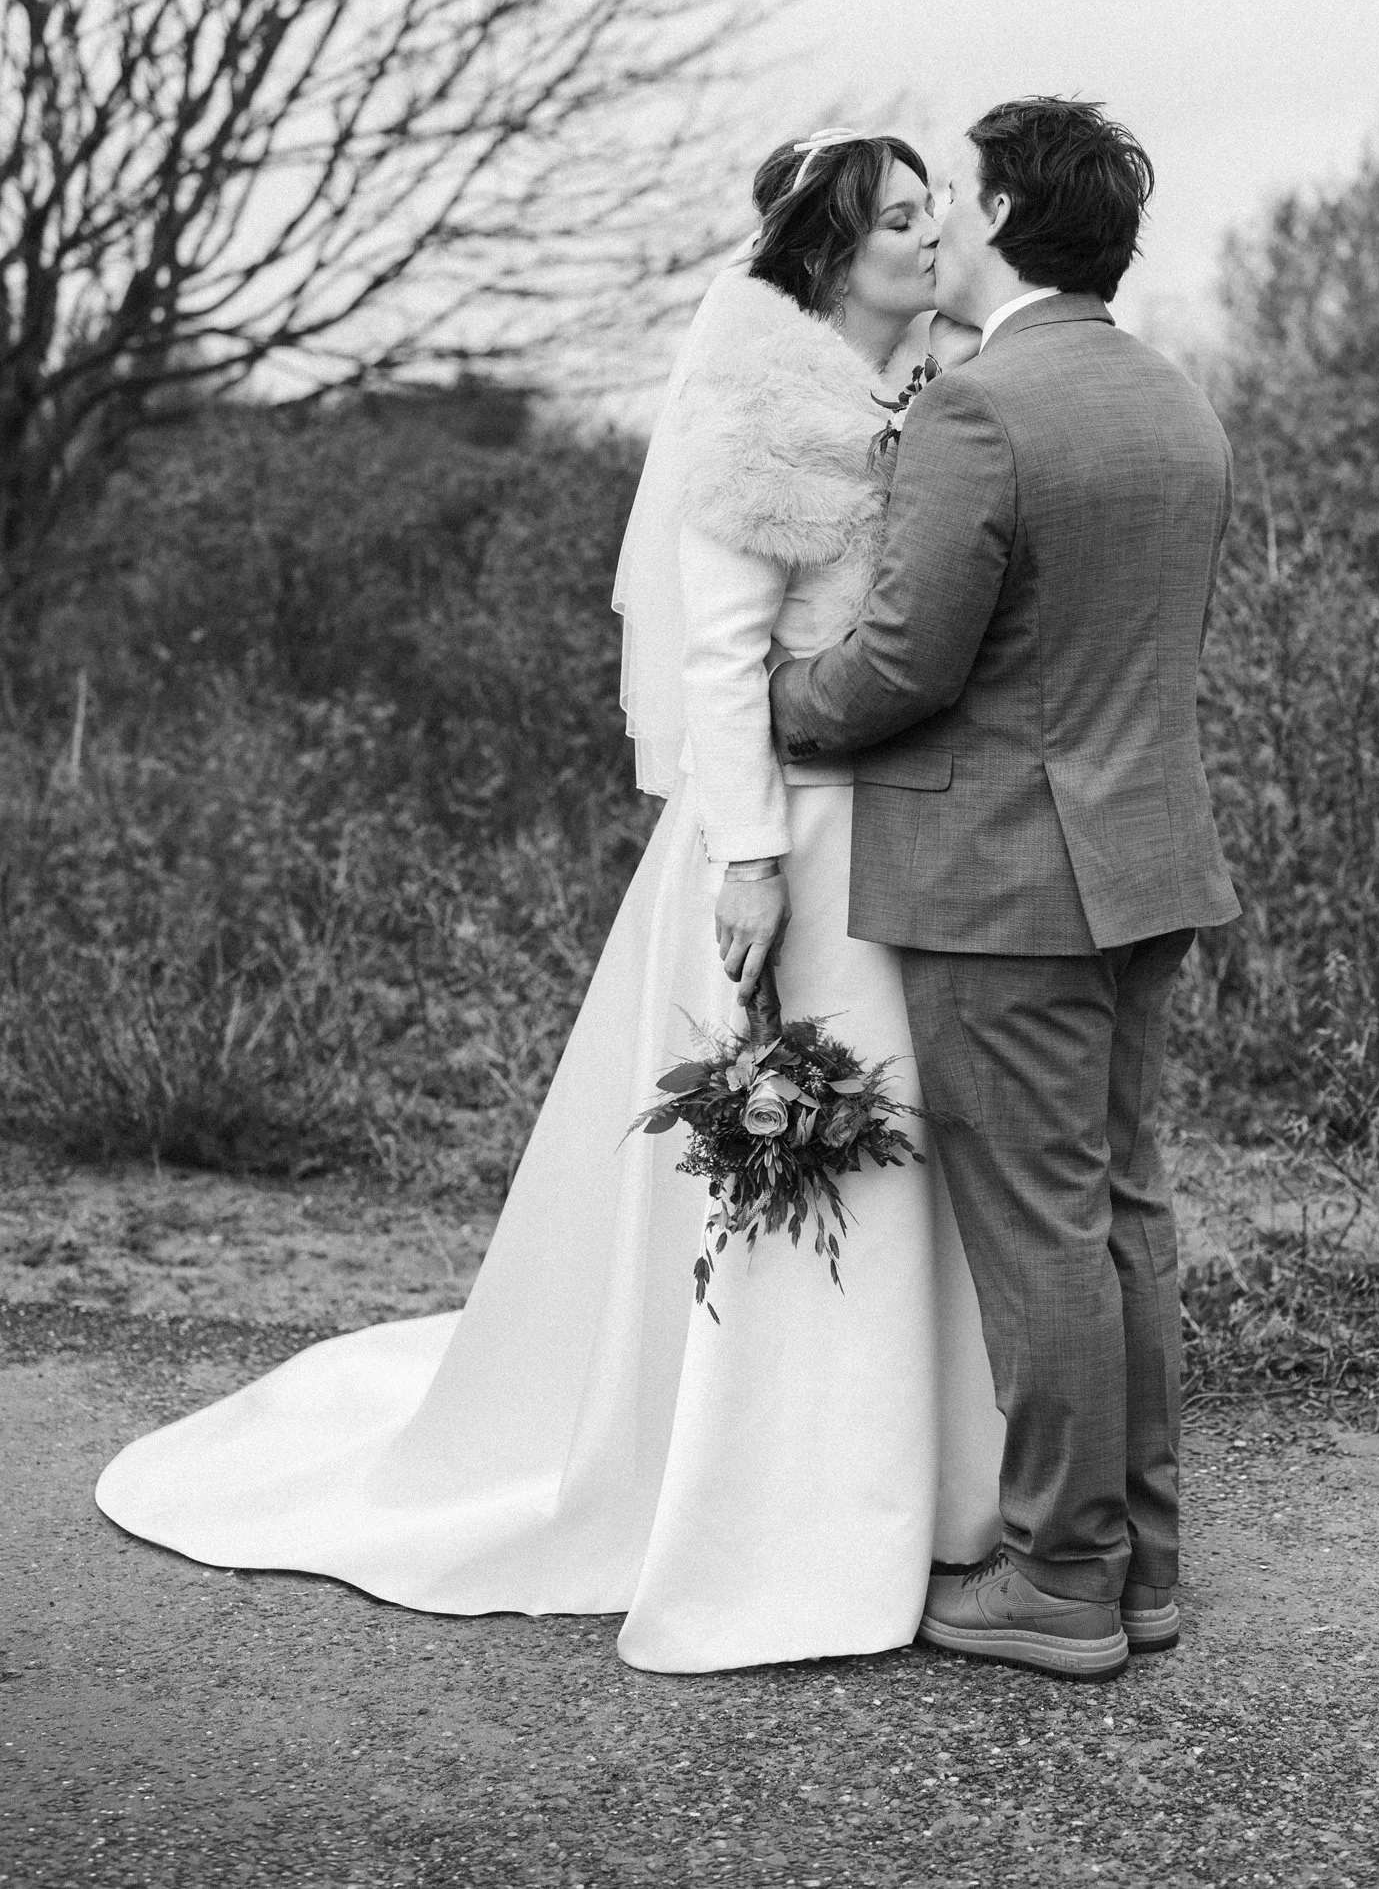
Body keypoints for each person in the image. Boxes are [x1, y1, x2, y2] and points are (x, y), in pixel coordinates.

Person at [97, 130, 1007, 1675]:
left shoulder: (935, 387)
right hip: (788, 836)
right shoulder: (761, 410)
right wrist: (751, 853)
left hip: (912, 835)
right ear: (826, 253)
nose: (932, 241)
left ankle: (911, 1480)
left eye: (935, 216)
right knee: (797, 1136)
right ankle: (750, 1488)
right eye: (899, 223)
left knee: (911, 1151)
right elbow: (722, 653)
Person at [769, 97, 1240, 1677]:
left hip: (1001, 877)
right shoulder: (1174, 403)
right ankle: (1142, 1567)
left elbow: (905, 660)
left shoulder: (984, 411)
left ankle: (1059, 1581)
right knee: (1120, 1216)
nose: (937, 230)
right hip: (1144, 860)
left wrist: (777, 701)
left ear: (1004, 219)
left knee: (1038, 1231)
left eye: (955, 203)